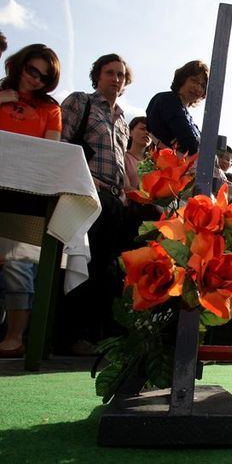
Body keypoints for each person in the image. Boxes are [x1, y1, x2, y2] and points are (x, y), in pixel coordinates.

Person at [57, 53, 133, 354]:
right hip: (84, 195)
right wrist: (87, 178)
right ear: (97, 76)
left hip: (114, 202)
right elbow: (62, 145)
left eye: (121, 75)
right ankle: (68, 337)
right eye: (110, 73)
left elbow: (121, 164)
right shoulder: (80, 102)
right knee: (79, 264)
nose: (116, 79)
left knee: (106, 270)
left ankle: (94, 336)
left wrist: (125, 192)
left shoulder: (123, 120)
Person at [0, 43, 61, 356]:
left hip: (26, 198)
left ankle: (15, 337)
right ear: (18, 65)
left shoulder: (51, 109)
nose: (36, 79)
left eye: (44, 76)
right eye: (31, 70)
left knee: (18, 266)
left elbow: (50, 153)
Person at [146, 60, 208, 155]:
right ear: (183, 79)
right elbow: (190, 143)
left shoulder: (188, 116)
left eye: (203, 86)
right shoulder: (168, 100)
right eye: (194, 80)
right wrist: (189, 142)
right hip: (163, 165)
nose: (198, 88)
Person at [0, 43, 61, 139]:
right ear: (20, 65)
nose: (37, 80)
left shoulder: (51, 110)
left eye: (45, 78)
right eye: (33, 71)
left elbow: (50, 149)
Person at [123, 116, 151, 192]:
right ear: (130, 132)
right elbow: (126, 188)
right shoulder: (122, 158)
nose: (147, 132)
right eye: (142, 129)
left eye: (150, 130)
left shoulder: (155, 162)